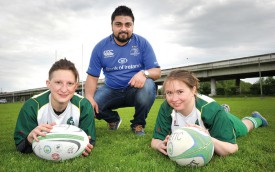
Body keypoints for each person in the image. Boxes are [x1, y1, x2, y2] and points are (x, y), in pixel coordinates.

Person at [151, 69, 268, 156]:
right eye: (169, 93)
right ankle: (223, 113)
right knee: (217, 117)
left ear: (193, 90)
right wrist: (158, 145)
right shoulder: (166, 107)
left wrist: (207, 138)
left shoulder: (210, 109)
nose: (174, 98)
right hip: (214, 115)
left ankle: (256, 119)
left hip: (217, 115)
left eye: (180, 92)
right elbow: (156, 140)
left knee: (244, 127)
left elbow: (232, 148)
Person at [85, 5, 161, 135]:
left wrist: (144, 73)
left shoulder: (142, 43)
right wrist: (88, 97)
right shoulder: (100, 47)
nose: (123, 29)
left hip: (134, 90)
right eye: (119, 24)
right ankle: (113, 119)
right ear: (112, 26)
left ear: (133, 26)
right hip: (111, 91)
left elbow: (157, 72)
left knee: (148, 85)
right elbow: (92, 77)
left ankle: (138, 124)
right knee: (91, 104)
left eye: (128, 25)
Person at [14, 58, 96, 157]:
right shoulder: (32, 106)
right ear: (49, 84)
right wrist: (29, 140)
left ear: (75, 86)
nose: (64, 89)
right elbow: (20, 145)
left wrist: (85, 146)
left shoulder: (84, 106)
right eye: (58, 82)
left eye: (69, 83)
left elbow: (89, 140)